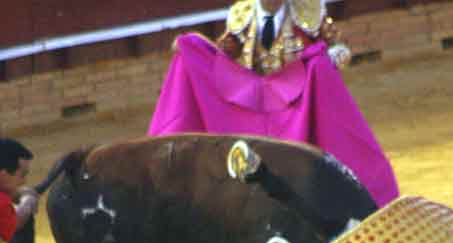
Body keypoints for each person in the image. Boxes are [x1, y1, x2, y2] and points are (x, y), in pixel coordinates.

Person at [148, 0, 399, 207]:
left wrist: (328, 60)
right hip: (252, 104)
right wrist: (191, 49)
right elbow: (220, 58)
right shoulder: (242, 16)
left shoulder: (309, 11)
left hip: (298, 104)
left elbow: (340, 48)